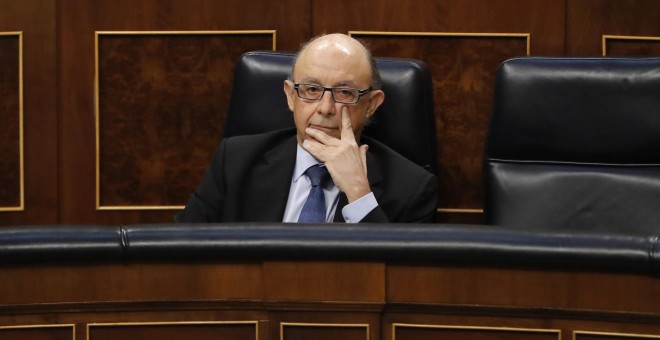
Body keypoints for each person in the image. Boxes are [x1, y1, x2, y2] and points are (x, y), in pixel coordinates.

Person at [176, 33, 438, 223]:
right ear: (291, 96)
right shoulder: (234, 162)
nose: (325, 108)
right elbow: (180, 250)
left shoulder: (412, 188)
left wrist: (359, 193)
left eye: (344, 93)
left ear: (371, 104)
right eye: (311, 90)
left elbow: (398, 282)